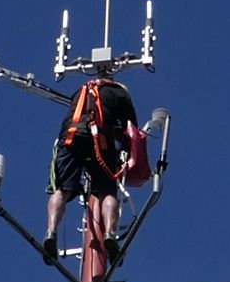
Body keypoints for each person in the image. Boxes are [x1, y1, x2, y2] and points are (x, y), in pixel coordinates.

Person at [41, 70, 149, 261]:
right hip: (100, 141)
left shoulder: (80, 91)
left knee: (61, 190)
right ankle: (109, 234)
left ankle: (51, 231)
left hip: (70, 138)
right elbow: (131, 131)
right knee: (107, 191)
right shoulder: (119, 93)